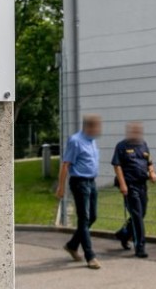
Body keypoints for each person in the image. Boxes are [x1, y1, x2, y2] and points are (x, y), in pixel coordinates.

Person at [56, 115, 103, 269]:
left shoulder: (92, 140)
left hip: (91, 182)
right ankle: (90, 256)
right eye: (96, 127)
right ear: (88, 127)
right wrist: (61, 187)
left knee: (92, 217)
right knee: (84, 219)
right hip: (80, 183)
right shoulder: (75, 141)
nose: (99, 130)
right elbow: (65, 165)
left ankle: (72, 245)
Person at [112, 122, 156, 258]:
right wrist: (123, 185)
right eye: (134, 131)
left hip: (142, 184)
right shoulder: (122, 146)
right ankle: (140, 247)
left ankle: (124, 234)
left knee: (141, 213)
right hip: (130, 185)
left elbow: (149, 162)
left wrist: (152, 173)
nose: (137, 133)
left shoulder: (143, 145)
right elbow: (117, 166)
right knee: (137, 215)